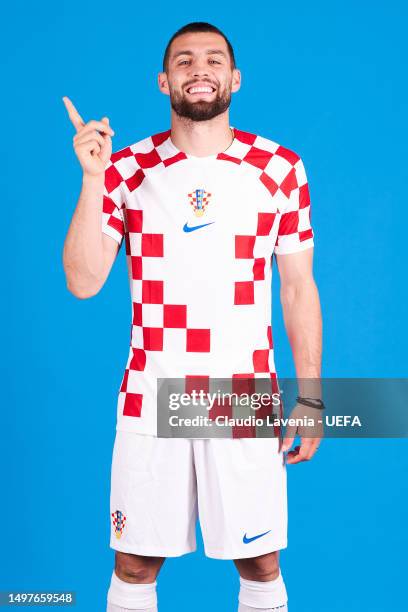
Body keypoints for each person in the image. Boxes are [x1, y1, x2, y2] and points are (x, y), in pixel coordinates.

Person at [62, 21, 322, 612]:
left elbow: (298, 286)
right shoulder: (125, 169)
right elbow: (82, 282)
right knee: (134, 563)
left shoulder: (279, 169)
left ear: (234, 78)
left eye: (212, 60)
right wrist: (92, 179)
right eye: (184, 61)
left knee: (259, 561)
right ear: (163, 81)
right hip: (152, 387)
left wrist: (310, 397)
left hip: (242, 390)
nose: (198, 69)